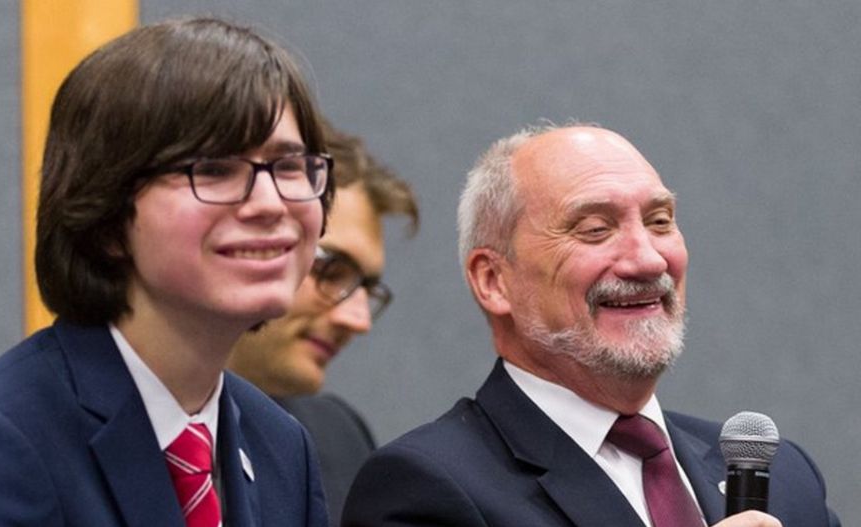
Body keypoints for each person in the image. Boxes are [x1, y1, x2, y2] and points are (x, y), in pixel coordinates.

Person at [0, 17, 333, 526]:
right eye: (213, 170)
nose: (271, 203)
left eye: (289, 166)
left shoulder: (282, 445)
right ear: (106, 218)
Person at [342, 124, 839, 527]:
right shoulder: (427, 489)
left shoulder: (786, 480)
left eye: (660, 221)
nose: (648, 260)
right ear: (494, 280)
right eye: (596, 230)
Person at [228, 121, 418, 526]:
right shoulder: (95, 423)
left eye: (367, 288)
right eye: (333, 271)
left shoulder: (336, 437)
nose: (358, 320)